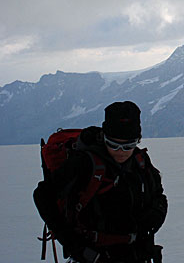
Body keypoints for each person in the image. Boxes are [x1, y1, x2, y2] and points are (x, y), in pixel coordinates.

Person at [34, 101, 167, 263]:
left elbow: (159, 195)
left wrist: (155, 216)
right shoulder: (84, 163)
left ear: (138, 140)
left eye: (128, 146)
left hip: (135, 252)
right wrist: (74, 245)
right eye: (113, 145)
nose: (121, 152)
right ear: (104, 138)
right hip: (93, 255)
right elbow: (43, 196)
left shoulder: (140, 161)